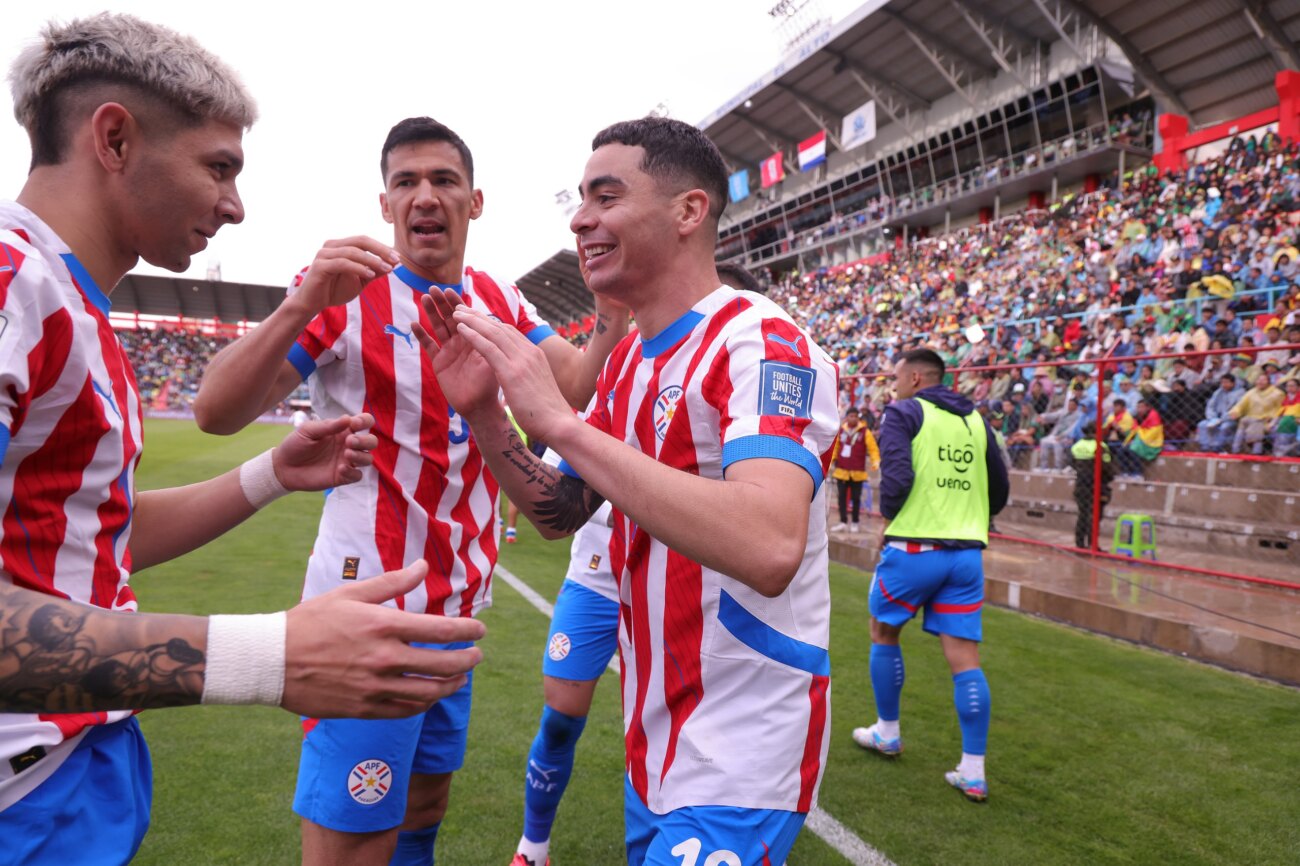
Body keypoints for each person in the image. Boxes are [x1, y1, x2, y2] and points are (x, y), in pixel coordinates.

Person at [0, 14, 484, 863]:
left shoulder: (73, 309)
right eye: (217, 167)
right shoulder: (13, 291)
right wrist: (270, 655)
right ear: (114, 138)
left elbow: (86, 545)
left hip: (68, 766)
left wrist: (268, 475)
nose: (234, 203)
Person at [192, 117, 624, 865]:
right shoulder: (346, 293)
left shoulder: (499, 297)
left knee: (423, 807)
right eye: (407, 182)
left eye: (443, 180)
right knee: (357, 837)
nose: (425, 195)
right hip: (371, 613)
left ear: (475, 201)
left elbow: (576, 383)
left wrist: (612, 311)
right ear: (386, 204)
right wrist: (299, 305)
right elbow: (215, 412)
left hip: (457, 611)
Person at [417, 117, 839, 866]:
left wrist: (557, 420)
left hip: (743, 747)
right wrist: (485, 414)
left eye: (606, 197)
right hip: (657, 737)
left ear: (688, 212)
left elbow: (771, 544)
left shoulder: (762, 344)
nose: (581, 218)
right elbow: (560, 512)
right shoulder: (626, 368)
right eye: (580, 200)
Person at [510, 262, 767, 866]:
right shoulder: (623, 365)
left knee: (672, 734)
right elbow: (558, 483)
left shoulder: (745, 365)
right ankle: (533, 844)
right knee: (561, 718)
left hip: (689, 587)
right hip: (599, 570)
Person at [851, 348, 1009, 803]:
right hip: (966, 555)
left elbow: (896, 477)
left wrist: (890, 519)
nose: (892, 385)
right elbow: (998, 488)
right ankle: (973, 770)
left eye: (897, 377)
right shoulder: (977, 420)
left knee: (883, 631)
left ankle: (887, 731)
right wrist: (967, 516)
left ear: (916, 378)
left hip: (915, 547)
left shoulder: (904, 412)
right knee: (964, 657)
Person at [830, 406, 880, 533]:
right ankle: (843, 521)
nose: (853, 418)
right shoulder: (841, 431)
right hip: (841, 471)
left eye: (855, 416)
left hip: (858, 472)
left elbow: (873, 448)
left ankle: (855, 522)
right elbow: (835, 447)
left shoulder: (865, 432)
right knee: (841, 498)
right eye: (851, 416)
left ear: (858, 417)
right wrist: (831, 461)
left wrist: (875, 461)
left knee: (856, 498)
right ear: (847, 417)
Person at [1070, 421, 1115, 549]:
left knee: (1082, 514)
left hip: (1080, 483)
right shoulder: (1101, 446)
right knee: (1095, 515)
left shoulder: (1077, 445)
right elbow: (1107, 468)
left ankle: (1080, 543)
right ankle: (1093, 544)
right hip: (1097, 484)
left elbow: (1072, 463)